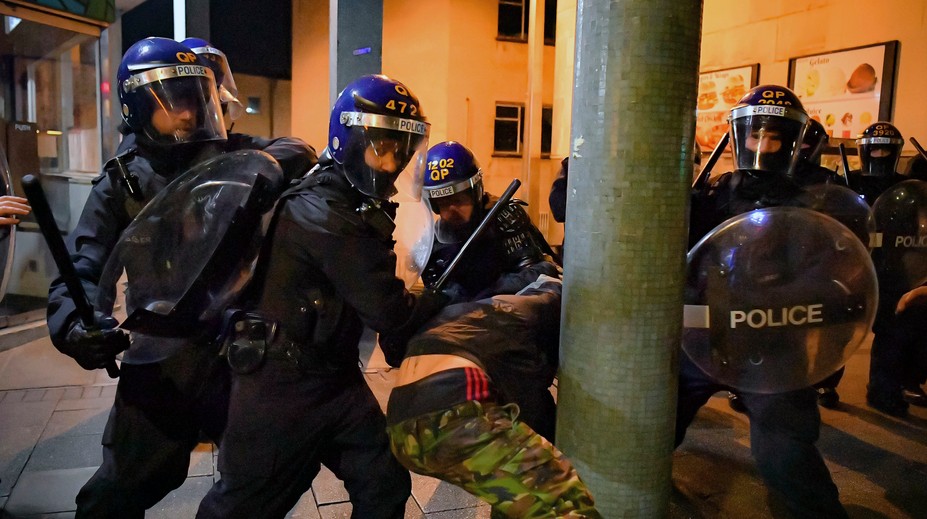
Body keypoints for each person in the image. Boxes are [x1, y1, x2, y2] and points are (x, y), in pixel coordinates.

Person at [45, 37, 316, 519]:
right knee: (122, 487)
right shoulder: (121, 183)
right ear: (136, 107)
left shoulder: (228, 152)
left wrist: (263, 172)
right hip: (163, 357)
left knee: (266, 473)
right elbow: (81, 266)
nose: (187, 115)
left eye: (193, 98)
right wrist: (75, 326)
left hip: (238, 350)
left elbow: (296, 148)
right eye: (171, 103)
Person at [196, 74, 447, 519]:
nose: (391, 164)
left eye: (401, 150)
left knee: (383, 482)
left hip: (333, 375)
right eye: (380, 147)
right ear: (348, 141)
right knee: (242, 506)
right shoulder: (323, 212)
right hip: (278, 384)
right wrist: (438, 298)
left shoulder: (350, 200)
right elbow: (388, 309)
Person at [681, 85, 848, 518]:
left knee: (787, 455)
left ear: (794, 142)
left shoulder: (812, 203)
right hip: (704, 334)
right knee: (650, 426)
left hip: (771, 340)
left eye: (775, 137)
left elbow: (828, 281)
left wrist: (773, 299)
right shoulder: (714, 192)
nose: (764, 146)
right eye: (756, 135)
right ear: (741, 137)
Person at [386, 274, 601, 518]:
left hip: (402, 432)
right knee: (563, 499)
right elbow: (532, 408)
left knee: (516, 501)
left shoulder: (478, 313)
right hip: (453, 417)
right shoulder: (533, 316)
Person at [419, 141, 560, 440]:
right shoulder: (430, 238)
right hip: (468, 340)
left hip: (514, 337)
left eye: (458, 198)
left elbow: (541, 271)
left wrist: (484, 297)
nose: (452, 209)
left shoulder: (503, 217)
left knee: (531, 412)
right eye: (442, 202)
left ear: (475, 189)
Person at [846, 122, 926, 416]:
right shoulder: (847, 181)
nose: (879, 154)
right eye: (874, 148)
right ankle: (822, 384)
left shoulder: (905, 185)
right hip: (851, 265)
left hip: (893, 266)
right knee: (839, 327)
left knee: (894, 330)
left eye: (885, 148)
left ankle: (885, 389)